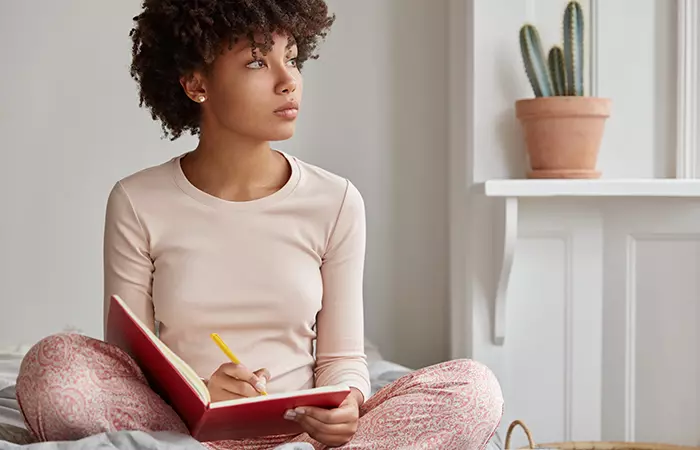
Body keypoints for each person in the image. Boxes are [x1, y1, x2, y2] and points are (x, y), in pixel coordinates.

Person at [14, 0, 504, 449]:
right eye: (256, 62)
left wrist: (349, 404)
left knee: (474, 390)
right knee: (52, 368)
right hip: (184, 431)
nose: (287, 79)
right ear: (196, 83)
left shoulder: (336, 201)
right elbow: (130, 367)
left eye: (291, 58)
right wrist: (201, 391)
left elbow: (341, 360)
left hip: (301, 436)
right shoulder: (137, 201)